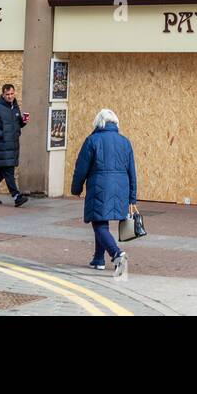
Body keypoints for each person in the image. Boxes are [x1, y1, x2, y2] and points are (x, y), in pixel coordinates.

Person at [70, 108, 137, 273]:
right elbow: (131, 170)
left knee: (99, 223)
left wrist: (76, 188)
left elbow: (81, 168)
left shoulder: (92, 140)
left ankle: (117, 254)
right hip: (121, 187)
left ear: (98, 122)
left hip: (100, 186)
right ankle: (98, 259)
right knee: (102, 222)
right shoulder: (125, 142)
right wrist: (132, 197)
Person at [0, 84, 29, 207]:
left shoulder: (15, 107)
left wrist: (23, 122)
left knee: (0, 171)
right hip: (3, 145)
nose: (10, 96)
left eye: (12, 94)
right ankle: (16, 196)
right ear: (3, 94)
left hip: (13, 144)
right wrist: (1, 134)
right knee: (9, 170)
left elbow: (17, 124)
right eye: (7, 94)